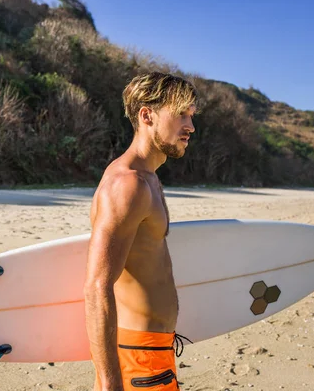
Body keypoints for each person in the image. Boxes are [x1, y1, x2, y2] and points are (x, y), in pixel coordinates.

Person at [84, 72, 197, 391]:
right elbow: (96, 286)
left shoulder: (149, 179)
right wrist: (109, 383)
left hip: (154, 352)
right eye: (180, 114)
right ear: (147, 115)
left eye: (191, 115)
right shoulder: (128, 185)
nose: (190, 126)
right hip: (138, 357)